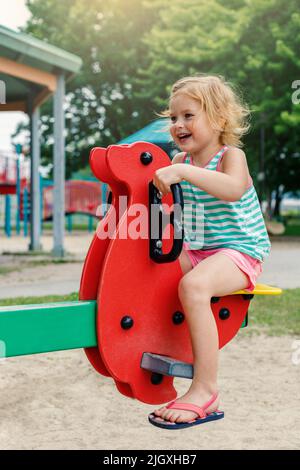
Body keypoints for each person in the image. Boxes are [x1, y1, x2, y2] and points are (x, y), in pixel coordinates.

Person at [149, 74, 271, 430]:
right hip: (201, 249)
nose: (178, 124)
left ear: (217, 119)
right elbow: (171, 210)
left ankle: (205, 390)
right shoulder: (178, 161)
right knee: (157, 271)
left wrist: (182, 170)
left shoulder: (230, 156)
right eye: (173, 118)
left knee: (193, 286)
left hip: (241, 251)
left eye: (188, 115)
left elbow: (232, 190)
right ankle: (160, 345)